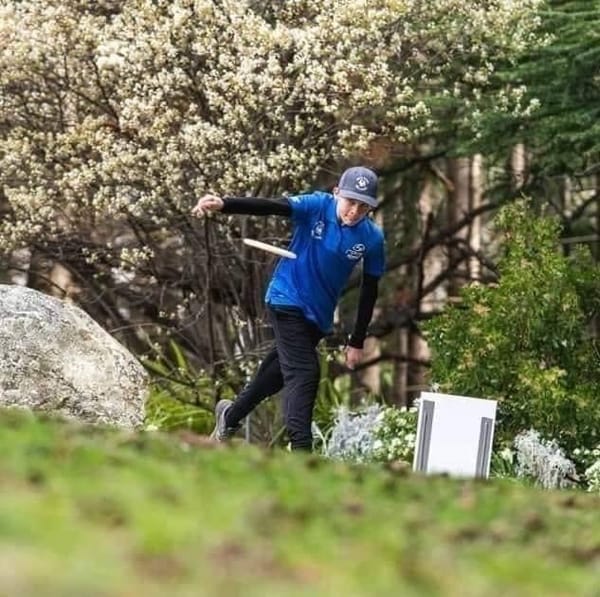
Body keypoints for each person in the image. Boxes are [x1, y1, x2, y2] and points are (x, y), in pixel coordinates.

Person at [191, 166, 385, 451]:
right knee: (305, 371)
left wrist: (357, 341)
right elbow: (273, 206)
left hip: (317, 317)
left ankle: (229, 416)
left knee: (273, 377)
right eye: (350, 202)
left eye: (363, 206)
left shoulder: (372, 239)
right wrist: (225, 204)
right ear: (336, 194)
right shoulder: (317, 205)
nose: (354, 211)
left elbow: (370, 289)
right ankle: (301, 450)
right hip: (286, 298)